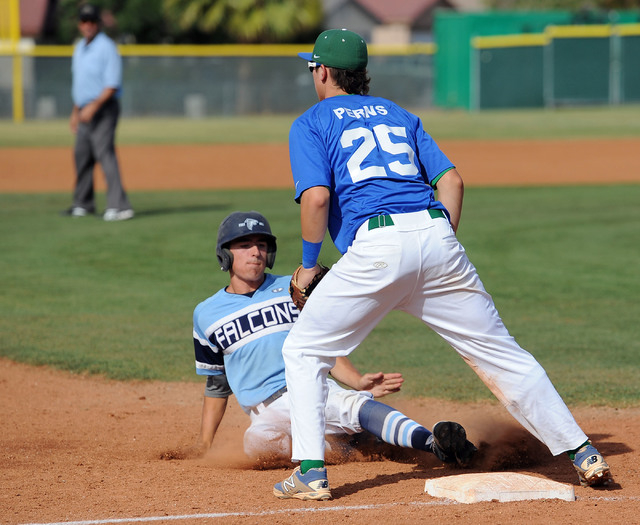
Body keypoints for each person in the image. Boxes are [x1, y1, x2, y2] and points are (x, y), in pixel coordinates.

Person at [274, 29, 612, 500]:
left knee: (305, 351)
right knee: (502, 354)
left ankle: (310, 473)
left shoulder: (311, 122)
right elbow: (451, 181)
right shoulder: (399, 113)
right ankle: (582, 452)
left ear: (324, 71)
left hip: (375, 246)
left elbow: (316, 197)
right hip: (436, 234)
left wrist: (308, 266)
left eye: (312, 67)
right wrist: (439, 244)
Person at [192, 210, 477, 477]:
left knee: (354, 405)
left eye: (261, 245)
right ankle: (351, 447)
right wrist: (205, 443)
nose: (255, 253)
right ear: (225, 254)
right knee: (258, 444)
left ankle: (435, 444)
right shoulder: (206, 314)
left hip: (307, 385)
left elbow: (322, 344)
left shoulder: (294, 290)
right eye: (244, 245)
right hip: (264, 413)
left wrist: (358, 380)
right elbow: (217, 384)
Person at [61, 3, 134, 222]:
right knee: (81, 155)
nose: (88, 25)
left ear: (98, 23)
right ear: (79, 23)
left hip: (103, 108)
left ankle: (119, 206)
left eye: (92, 21)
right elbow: (80, 84)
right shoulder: (79, 47)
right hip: (84, 109)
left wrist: (93, 106)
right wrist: (76, 110)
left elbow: (111, 84)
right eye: (84, 21)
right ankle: (83, 203)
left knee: (105, 154)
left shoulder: (107, 47)